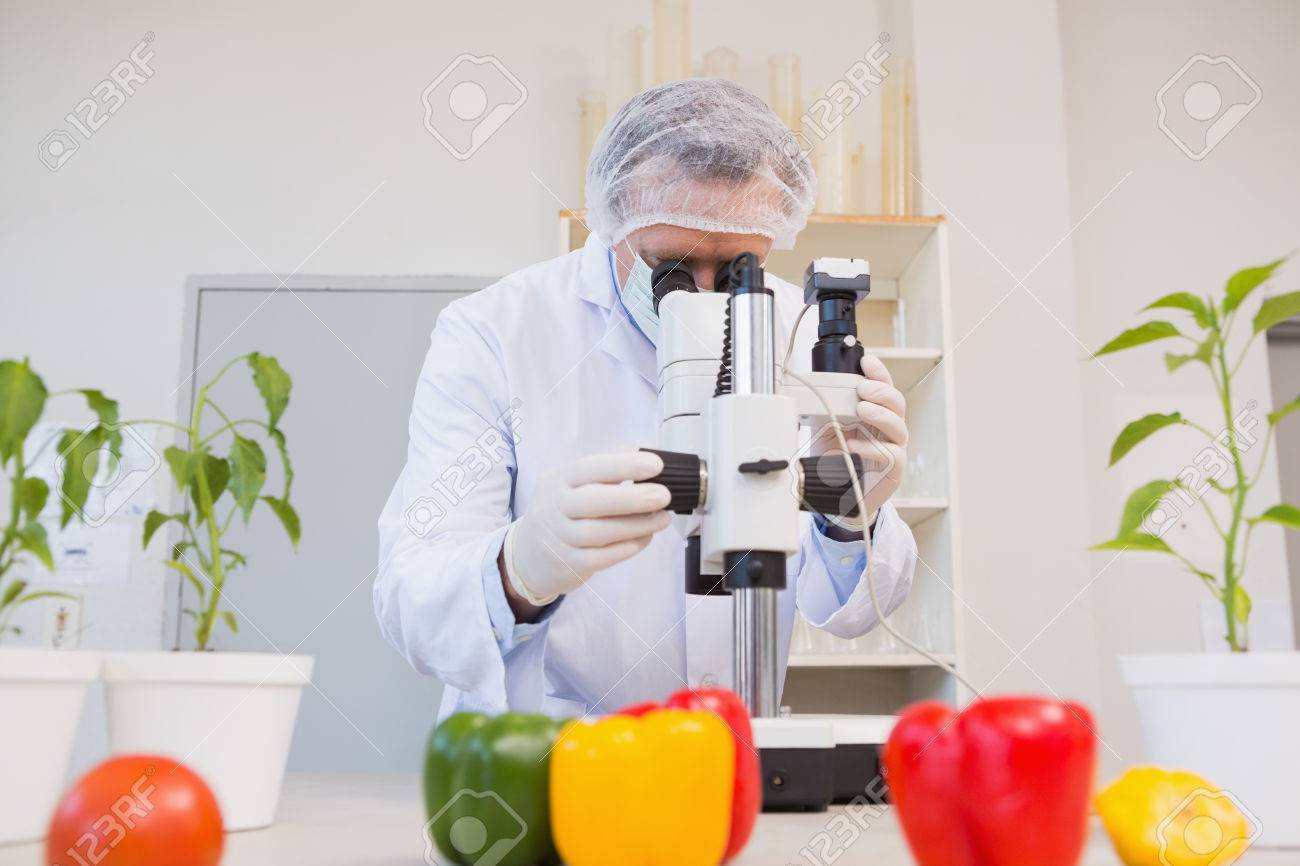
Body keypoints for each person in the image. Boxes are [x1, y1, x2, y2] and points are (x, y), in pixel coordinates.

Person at [375, 78, 916, 719]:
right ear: (612, 223)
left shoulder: (797, 328)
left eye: (740, 267)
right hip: (546, 760)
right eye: (674, 265)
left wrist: (851, 520)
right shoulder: (497, 331)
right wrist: (522, 568)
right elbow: (412, 603)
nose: (705, 296)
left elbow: (845, 612)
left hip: (731, 753)